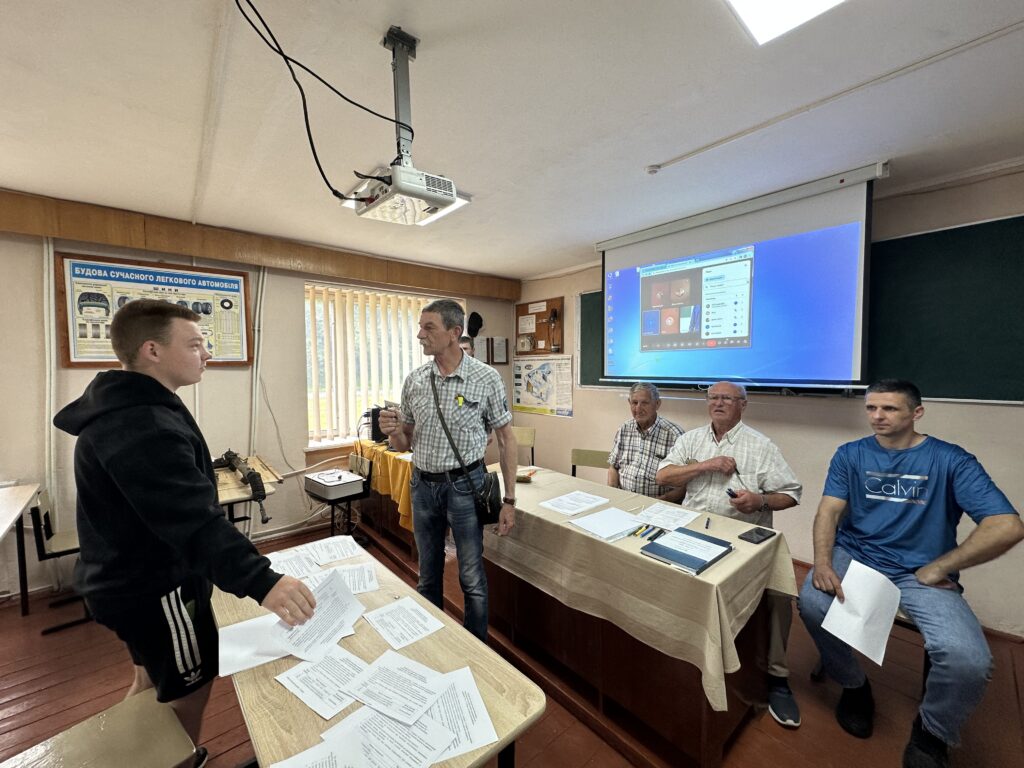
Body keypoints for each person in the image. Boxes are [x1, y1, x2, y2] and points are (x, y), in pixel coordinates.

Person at [53, 299, 315, 768]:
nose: (206, 353)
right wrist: (264, 582)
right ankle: (180, 761)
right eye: (194, 344)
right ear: (152, 350)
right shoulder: (141, 423)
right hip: (155, 588)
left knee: (151, 678)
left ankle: (138, 757)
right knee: (189, 687)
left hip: (122, 579)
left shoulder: (132, 406)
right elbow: (192, 522)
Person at [799, 379, 1023, 768]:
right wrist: (822, 562)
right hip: (857, 555)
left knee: (968, 659)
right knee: (812, 604)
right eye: (871, 408)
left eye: (889, 408)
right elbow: (829, 511)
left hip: (919, 572)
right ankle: (854, 685)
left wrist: (941, 566)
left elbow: (1007, 525)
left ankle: (932, 732)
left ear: (916, 412)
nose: (877, 416)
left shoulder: (951, 460)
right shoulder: (851, 454)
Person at [655, 380, 803, 728]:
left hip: (741, 537)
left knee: (779, 594)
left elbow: (791, 494)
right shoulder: (692, 439)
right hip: (692, 530)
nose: (718, 403)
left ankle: (777, 678)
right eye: (713, 398)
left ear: (743, 405)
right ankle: (678, 650)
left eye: (727, 398)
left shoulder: (761, 446)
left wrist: (760, 501)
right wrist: (705, 465)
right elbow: (663, 476)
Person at [378, 299, 517, 641]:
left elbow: (505, 439)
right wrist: (393, 432)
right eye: (420, 327)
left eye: (429, 328)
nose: (419, 335)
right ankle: (434, 644)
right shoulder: (415, 381)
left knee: (471, 576)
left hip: (466, 486)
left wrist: (510, 500)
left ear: (454, 332)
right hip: (423, 486)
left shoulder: (485, 378)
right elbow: (404, 445)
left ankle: (476, 648)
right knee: (427, 574)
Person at [607, 382, 685, 501]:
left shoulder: (674, 435)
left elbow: (684, 484)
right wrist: (613, 495)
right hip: (623, 499)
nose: (638, 408)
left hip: (658, 502)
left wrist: (660, 501)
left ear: (657, 404)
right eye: (634, 403)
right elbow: (613, 467)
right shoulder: (624, 429)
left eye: (644, 403)